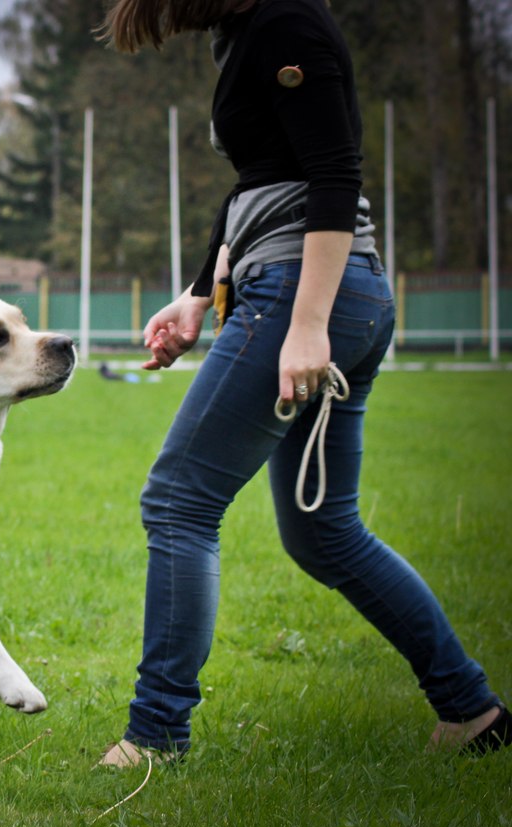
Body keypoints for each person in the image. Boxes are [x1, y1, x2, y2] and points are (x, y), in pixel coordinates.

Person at [95, 0, 508, 767]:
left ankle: (156, 735)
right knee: (324, 531)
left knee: (179, 498)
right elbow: (261, 181)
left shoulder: (288, 23)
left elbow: (334, 171)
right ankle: (472, 711)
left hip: (307, 295)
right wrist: (195, 295)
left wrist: (308, 323)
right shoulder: (250, 32)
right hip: (316, 292)